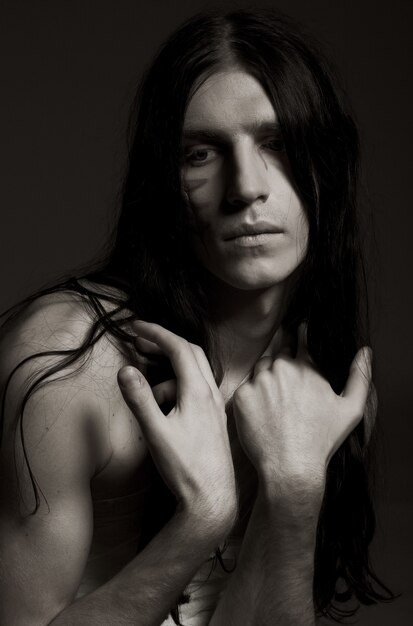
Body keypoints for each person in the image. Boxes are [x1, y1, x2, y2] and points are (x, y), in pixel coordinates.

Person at [0, 8, 394, 626]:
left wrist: (292, 491)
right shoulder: (70, 368)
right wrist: (202, 518)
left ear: (329, 165)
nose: (246, 187)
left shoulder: (321, 393)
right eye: (201, 153)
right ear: (164, 183)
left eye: (278, 143)